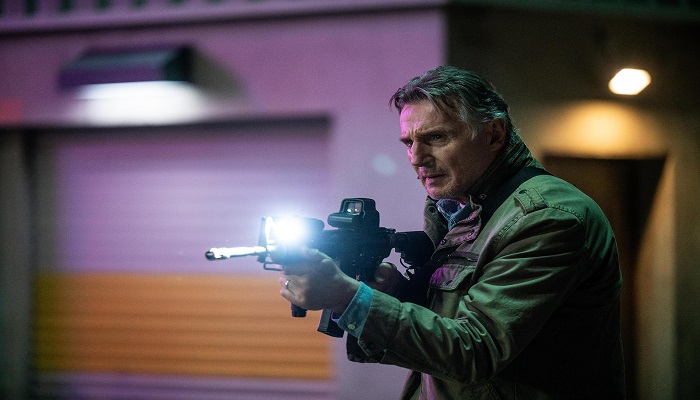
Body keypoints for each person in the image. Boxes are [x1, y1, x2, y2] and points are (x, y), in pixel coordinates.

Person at [279, 66, 625, 399]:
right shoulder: (457, 208)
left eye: (436, 137)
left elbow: (476, 350)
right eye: (408, 142)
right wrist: (396, 292)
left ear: (494, 134)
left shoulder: (546, 217)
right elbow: (449, 322)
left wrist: (348, 297)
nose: (416, 158)